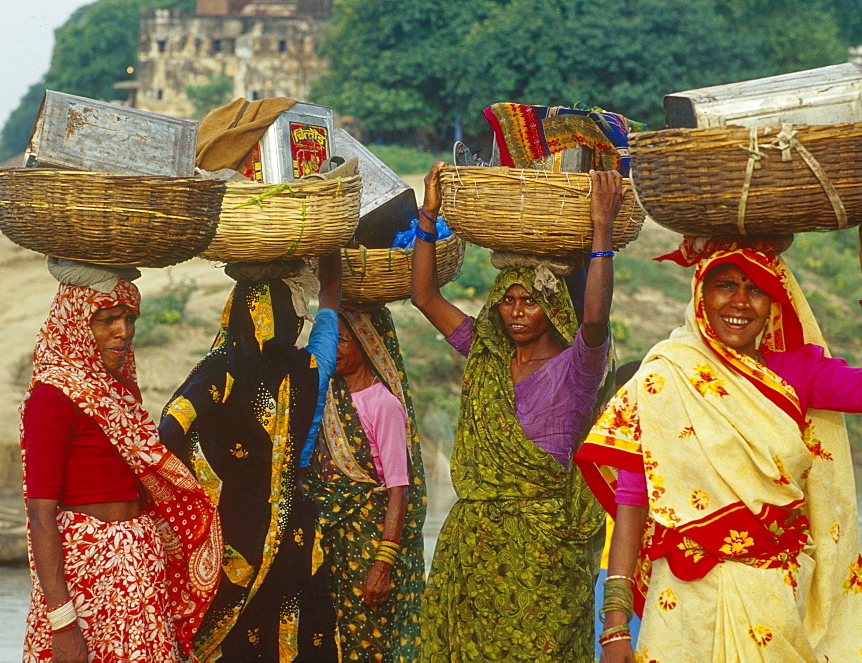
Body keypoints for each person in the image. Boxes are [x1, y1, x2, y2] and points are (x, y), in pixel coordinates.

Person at [576, 200, 862, 662]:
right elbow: (635, 499)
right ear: (701, 294)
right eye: (726, 285)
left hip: (772, 599)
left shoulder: (796, 372)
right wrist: (615, 625)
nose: (739, 302)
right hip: (681, 601)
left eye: (756, 290)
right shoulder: (665, 375)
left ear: (774, 303)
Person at [412, 162, 622, 661]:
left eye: (529, 300)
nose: (516, 311)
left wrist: (602, 228)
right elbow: (423, 296)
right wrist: (428, 212)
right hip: (477, 542)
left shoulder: (578, 366)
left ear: (551, 307)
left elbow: (595, 315)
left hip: (544, 546)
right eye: (507, 300)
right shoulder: (487, 355)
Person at [21, 263, 221, 662]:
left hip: (138, 568)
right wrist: (62, 623)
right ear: (77, 323)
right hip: (88, 575)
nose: (124, 331)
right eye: (108, 319)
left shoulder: (117, 393)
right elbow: (40, 515)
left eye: (129, 318)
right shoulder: (52, 396)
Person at [159, 256, 342, 662]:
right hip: (291, 533)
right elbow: (330, 304)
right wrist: (334, 256)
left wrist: (200, 491)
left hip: (231, 538)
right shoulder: (309, 367)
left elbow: (169, 431)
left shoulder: (219, 371)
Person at [306, 307, 427, 661]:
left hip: (368, 542)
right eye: (331, 340)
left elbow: (398, 490)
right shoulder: (324, 395)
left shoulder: (383, 404)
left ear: (368, 345)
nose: (335, 348)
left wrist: (382, 564)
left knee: (369, 640)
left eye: (342, 340)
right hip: (328, 541)